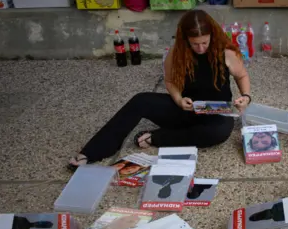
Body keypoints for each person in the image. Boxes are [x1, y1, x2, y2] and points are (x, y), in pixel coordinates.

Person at [67, 9, 251, 170]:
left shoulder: (226, 52)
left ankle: (158, 138)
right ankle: (93, 151)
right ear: (186, 39)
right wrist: (179, 99)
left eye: (205, 42)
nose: (201, 48)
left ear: (213, 35)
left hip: (216, 113)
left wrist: (245, 97)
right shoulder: (177, 52)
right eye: (195, 44)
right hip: (184, 109)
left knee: (219, 133)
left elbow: (241, 76)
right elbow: (170, 81)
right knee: (140, 100)